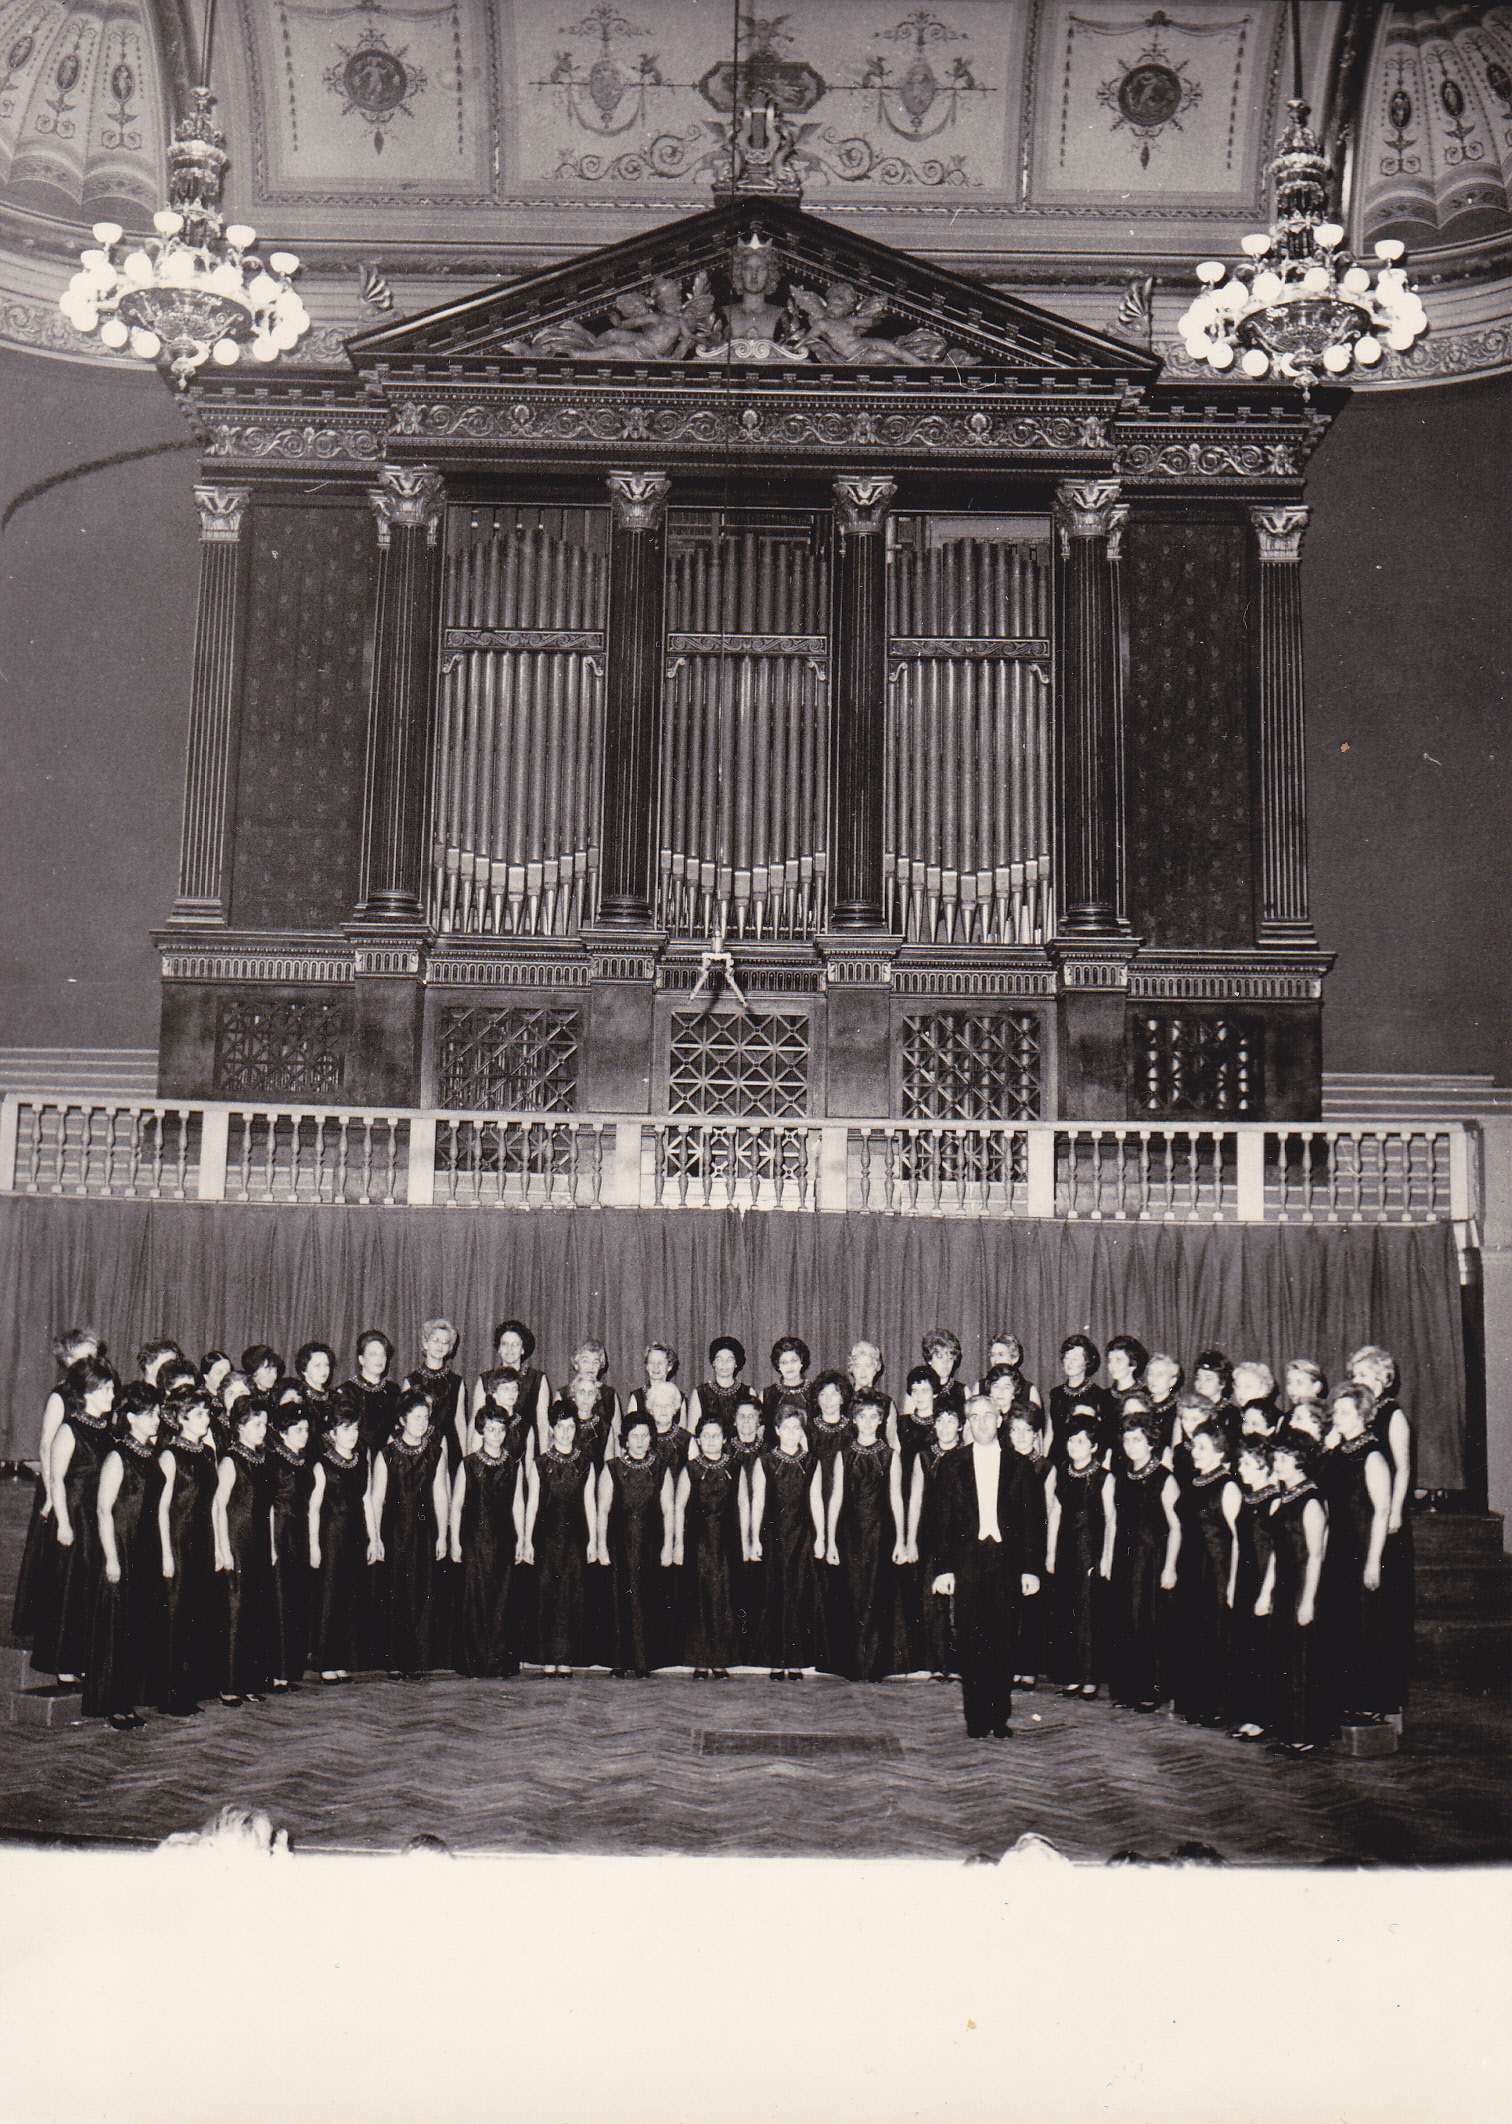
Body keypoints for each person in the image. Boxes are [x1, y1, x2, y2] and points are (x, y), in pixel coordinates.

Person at [929, 1395, 1044, 1741]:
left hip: (1007, 1561)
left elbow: (1032, 1523)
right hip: (967, 1561)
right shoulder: (951, 1464)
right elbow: (940, 1522)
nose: (981, 1422)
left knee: (1003, 1637)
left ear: (999, 1420)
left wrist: (1030, 1569)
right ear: (967, 1423)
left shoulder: (1020, 1465)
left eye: (988, 1415)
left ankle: (999, 1715)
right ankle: (976, 1717)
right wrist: (944, 1569)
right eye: (974, 1416)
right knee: (970, 1637)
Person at [13, 1330, 106, 1647]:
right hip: (60, 1484)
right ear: (67, 1360)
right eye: (86, 1355)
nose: (93, 1360)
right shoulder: (60, 1396)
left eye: (95, 1354)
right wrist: (52, 1497)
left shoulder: (95, 1395)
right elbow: (46, 1446)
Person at [31, 1355, 118, 1684]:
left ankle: (83, 1657)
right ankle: (63, 1663)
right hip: (74, 1517)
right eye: (106, 1389)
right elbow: (56, 1480)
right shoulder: (70, 1429)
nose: (112, 1395)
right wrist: (64, 1523)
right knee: (69, 1589)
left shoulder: (107, 1430)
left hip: (96, 1517)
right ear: (88, 1392)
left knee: (90, 1589)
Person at [83, 1383, 163, 1730]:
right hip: (122, 1546)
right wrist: (112, 1558)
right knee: (116, 1628)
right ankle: (112, 1703)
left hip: (145, 1548)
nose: (157, 1419)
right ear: (131, 1417)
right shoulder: (118, 1456)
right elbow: (103, 1510)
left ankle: (127, 1700)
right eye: (150, 1414)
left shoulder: (150, 1453)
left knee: (136, 1626)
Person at [1319, 1384, 1393, 1723]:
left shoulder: (1373, 1455)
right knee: (1340, 1623)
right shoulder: (1337, 1452)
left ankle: (1368, 1703)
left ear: (1363, 1415)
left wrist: (1374, 1562)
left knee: (1365, 1623)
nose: (1338, 1417)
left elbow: (1382, 1510)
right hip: (1339, 1544)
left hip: (1363, 1545)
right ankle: (1344, 1700)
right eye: (1336, 1411)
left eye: (1345, 1412)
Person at [1347, 1344, 1414, 1716]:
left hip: (1385, 1517)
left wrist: (1396, 1512)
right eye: (1355, 1376)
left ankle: (1386, 1700)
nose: (1358, 1381)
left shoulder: (1392, 1415)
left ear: (1383, 1379)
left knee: (1385, 1610)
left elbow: (1402, 1467)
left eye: (1365, 1376)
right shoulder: (1359, 1415)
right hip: (1357, 1518)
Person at [370, 1387, 450, 1679]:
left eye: (425, 1417)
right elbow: (377, 1498)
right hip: (395, 1533)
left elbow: (441, 1495)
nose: (422, 1423)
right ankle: (395, 1660)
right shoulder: (387, 1454)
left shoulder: (436, 1453)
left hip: (425, 1532)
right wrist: (375, 1537)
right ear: (402, 1420)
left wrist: (443, 1535)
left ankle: (418, 1660)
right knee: (396, 1594)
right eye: (416, 1417)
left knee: (423, 1593)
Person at [1103, 1415, 1180, 1713]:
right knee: (1123, 1620)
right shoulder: (1121, 1475)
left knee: (1146, 1621)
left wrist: (1170, 1566)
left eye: (1137, 1439)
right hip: (1124, 1557)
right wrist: (1107, 1557)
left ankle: (1150, 1689)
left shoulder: (1164, 1478)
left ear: (1150, 1442)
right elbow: (1113, 1521)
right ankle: (1127, 1689)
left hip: (1151, 1560)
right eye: (1127, 1439)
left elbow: (1176, 1526)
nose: (1131, 1445)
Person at [451, 1403, 533, 1680]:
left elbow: (518, 1503)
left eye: (500, 1429)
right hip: (474, 1539)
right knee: (476, 1599)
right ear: (481, 1431)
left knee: (502, 1600)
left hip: (504, 1539)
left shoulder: (513, 1464)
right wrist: (454, 1541)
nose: (496, 1435)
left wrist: (522, 1539)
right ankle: (475, 1663)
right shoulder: (468, 1463)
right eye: (491, 1430)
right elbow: (456, 1504)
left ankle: (499, 1663)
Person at [827, 1397, 905, 1681]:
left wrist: (901, 1539)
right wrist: (830, 1539)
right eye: (863, 1416)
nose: (869, 1422)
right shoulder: (844, 1454)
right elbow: (836, 1498)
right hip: (849, 1535)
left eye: (874, 1416)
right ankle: (852, 1665)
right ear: (855, 1420)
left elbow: (896, 1498)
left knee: (876, 1595)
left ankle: (874, 1666)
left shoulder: (890, 1455)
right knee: (852, 1594)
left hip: (881, 1534)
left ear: (881, 1420)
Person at [1169, 1423, 1240, 1728]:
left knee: (1215, 1635)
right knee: (1192, 1633)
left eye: (1202, 1447)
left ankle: (1217, 1706)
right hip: (1190, 1568)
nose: (1194, 1452)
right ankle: (1195, 1703)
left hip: (1215, 1570)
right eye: (1193, 1446)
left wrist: (1232, 1581)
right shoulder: (1193, 1482)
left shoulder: (1228, 1486)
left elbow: (1237, 1538)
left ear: (1219, 1452)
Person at [1267, 1432, 1332, 1756]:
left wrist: (1307, 1600)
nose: (1276, 1464)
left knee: (1302, 1660)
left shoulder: (1311, 1501)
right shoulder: (1283, 1498)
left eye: (1283, 1458)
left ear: (1300, 1461)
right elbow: (1276, 1552)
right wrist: (1268, 1591)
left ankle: (1305, 1734)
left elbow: (1316, 1555)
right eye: (1275, 1458)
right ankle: (1288, 1729)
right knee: (1285, 1657)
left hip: (1304, 1586)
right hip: (1284, 1584)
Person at [155, 1393, 219, 1717]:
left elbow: (213, 1503)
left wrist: (217, 1546)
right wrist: (166, 1552)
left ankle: (191, 1687)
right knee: (175, 1615)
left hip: (202, 1540)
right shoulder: (170, 1455)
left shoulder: (208, 1452)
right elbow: (162, 1508)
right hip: (179, 1540)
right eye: (199, 1414)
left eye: (207, 1413)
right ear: (182, 1419)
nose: (206, 1419)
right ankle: (170, 1693)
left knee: (197, 1612)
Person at [597, 1413, 673, 1678]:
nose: (640, 1441)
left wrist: (668, 1546)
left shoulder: (661, 1467)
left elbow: (669, 1510)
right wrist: (601, 1545)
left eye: (644, 1435)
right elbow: (603, 1509)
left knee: (646, 1600)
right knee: (619, 1600)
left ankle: (643, 1662)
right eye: (634, 1436)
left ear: (651, 1438)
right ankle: (620, 1661)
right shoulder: (612, 1468)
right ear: (625, 1440)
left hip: (650, 1544)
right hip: (619, 1544)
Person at [751, 1405, 825, 1678]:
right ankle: (776, 1660)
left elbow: (816, 1501)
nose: (792, 1433)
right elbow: (757, 1502)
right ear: (777, 1430)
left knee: (799, 1596)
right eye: (787, 1428)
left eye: (797, 1428)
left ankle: (795, 1661)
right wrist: (754, 1538)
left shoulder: (812, 1462)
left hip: (802, 1537)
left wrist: (821, 1537)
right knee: (775, 1596)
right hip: (773, 1538)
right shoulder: (765, 1462)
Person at [211, 1397, 274, 1706]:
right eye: (256, 1424)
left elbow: (269, 1508)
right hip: (237, 1541)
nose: (263, 1430)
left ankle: (249, 1681)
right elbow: (218, 1506)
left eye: (265, 1424)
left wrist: (271, 1546)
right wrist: (223, 1548)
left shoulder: (263, 1459)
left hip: (259, 1542)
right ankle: (229, 1685)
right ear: (239, 1427)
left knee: (255, 1611)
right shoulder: (230, 1461)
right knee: (235, 1612)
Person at [674, 1415, 742, 1679]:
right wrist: (678, 1543)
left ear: (724, 1439)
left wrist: (747, 1541)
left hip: (727, 1543)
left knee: (723, 1598)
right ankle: (700, 1661)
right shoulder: (690, 1469)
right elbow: (679, 1507)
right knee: (699, 1600)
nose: (711, 1440)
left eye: (716, 1435)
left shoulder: (735, 1467)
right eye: (706, 1435)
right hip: (698, 1542)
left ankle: (720, 1660)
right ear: (699, 1440)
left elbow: (743, 1505)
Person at [1044, 1408, 1106, 1699]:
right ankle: (1071, 1676)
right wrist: (1050, 1553)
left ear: (1094, 1446)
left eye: (1080, 1441)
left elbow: (1111, 1520)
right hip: (1066, 1549)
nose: (1073, 1446)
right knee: (1067, 1611)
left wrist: (1103, 1557)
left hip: (1089, 1551)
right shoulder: (1064, 1473)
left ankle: (1090, 1678)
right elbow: (1056, 1513)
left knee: (1089, 1615)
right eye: (1070, 1440)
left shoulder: (1104, 1478)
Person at [530, 1406, 596, 1676]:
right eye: (561, 1427)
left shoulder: (585, 1463)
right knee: (547, 1595)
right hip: (546, 1538)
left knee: (571, 1595)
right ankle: (548, 1658)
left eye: (571, 1427)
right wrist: (526, 1540)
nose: (566, 1433)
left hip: (576, 1539)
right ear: (552, 1430)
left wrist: (594, 1540)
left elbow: (590, 1503)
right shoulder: (539, 1463)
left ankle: (565, 1658)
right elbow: (532, 1504)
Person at [307, 1406, 371, 1684]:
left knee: (349, 1597)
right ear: (332, 1434)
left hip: (355, 1535)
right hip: (331, 1536)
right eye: (346, 1429)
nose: (352, 1434)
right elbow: (313, 1508)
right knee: (330, 1597)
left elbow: (366, 1500)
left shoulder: (361, 1461)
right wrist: (314, 1545)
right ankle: (325, 1662)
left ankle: (342, 1660)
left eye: (355, 1428)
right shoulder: (322, 1465)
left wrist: (373, 1538)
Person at [905, 1402, 961, 1680]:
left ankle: (958, 1665)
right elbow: (915, 1500)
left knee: (958, 1601)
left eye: (951, 1421)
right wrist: (910, 1540)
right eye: (941, 1421)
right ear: (934, 1426)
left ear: (960, 1426)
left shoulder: (967, 1455)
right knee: (931, 1600)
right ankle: (936, 1664)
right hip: (929, 1535)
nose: (945, 1427)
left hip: (960, 1536)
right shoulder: (923, 1457)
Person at [1227, 1437, 1278, 1743]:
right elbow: (1237, 1543)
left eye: (1247, 1463)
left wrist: (1267, 1592)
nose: (1241, 1468)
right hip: (1246, 1580)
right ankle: (1249, 1714)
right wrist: (1233, 1582)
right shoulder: (1247, 1499)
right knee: (1246, 1647)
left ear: (1264, 1466)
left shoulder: (1274, 1500)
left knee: (1264, 1649)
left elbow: (1276, 1552)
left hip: (1263, 1580)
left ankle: (1264, 1718)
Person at [265, 1396, 314, 1691]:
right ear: (283, 1432)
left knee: (296, 1598)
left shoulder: (305, 1461)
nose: (304, 1435)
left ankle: (291, 1668)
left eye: (306, 1429)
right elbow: (269, 1506)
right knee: (280, 1600)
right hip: (281, 1533)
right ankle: (277, 1672)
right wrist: (272, 1544)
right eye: (298, 1430)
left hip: (300, 1533)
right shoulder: (274, 1462)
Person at [1004, 1409, 1049, 1687]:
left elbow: (1049, 1511)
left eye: (1026, 1430)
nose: (1020, 1436)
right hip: (1008, 1543)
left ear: (1035, 1435)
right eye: (1015, 1430)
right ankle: (1011, 1666)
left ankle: (1029, 1667)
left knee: (1031, 1606)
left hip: (1034, 1543)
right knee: (1008, 1607)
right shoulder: (1003, 1463)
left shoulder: (1045, 1466)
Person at [472, 1319, 550, 1453]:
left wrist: (544, 1460)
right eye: (505, 1344)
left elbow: (543, 1424)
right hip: (491, 1452)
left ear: (522, 1349)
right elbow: (476, 1423)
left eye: (515, 1344)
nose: (510, 1349)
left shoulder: (537, 1379)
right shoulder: (485, 1379)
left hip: (527, 1450)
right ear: (499, 1349)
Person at [405, 1319, 466, 1474]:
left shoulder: (457, 1382)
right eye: (436, 1340)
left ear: (450, 1348)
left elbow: (460, 1421)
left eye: (445, 1342)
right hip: (420, 1446)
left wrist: (466, 1457)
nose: (440, 1345)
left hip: (450, 1447)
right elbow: (403, 1423)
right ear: (425, 1343)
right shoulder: (411, 1381)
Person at [1047, 1335, 1111, 1471]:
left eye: (1075, 1358)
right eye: (1067, 1357)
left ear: (1087, 1362)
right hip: (1056, 1461)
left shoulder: (1098, 1395)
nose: (1069, 1363)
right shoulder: (1056, 1393)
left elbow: (1103, 1438)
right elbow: (1050, 1433)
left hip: (1083, 1463)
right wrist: (1045, 1466)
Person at [341, 1329, 400, 1460]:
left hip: (388, 1458)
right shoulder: (347, 1391)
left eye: (383, 1354)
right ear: (361, 1359)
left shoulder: (393, 1390)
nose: (379, 1359)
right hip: (357, 1459)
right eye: (373, 1354)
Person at [689, 1336, 748, 1440]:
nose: (724, 1364)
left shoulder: (747, 1392)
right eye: (719, 1359)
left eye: (729, 1359)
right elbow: (692, 1434)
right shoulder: (700, 1393)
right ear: (713, 1362)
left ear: (736, 1363)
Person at [762, 1335, 812, 1447]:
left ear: (802, 1361)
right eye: (784, 1362)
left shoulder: (814, 1392)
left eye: (793, 1360)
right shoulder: (768, 1394)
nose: (789, 1366)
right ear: (778, 1365)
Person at [921, 1330, 967, 1421]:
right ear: (929, 1360)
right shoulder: (917, 1388)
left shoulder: (963, 1391)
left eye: (950, 1358)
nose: (945, 1363)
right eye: (940, 1357)